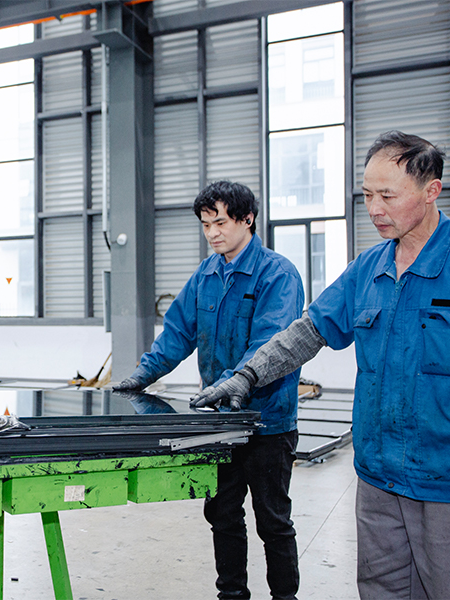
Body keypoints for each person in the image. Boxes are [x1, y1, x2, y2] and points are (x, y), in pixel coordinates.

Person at [194, 131, 450, 599]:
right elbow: (308, 332)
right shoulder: (368, 269)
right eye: (367, 195)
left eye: (388, 195)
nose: (375, 208)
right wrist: (247, 375)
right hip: (378, 479)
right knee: (381, 590)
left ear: (431, 191)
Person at [113, 180, 304, 600]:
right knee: (222, 514)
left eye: (220, 223)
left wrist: (234, 381)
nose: (212, 233)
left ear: (247, 219)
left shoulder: (278, 275)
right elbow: (178, 333)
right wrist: (142, 375)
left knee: (273, 521)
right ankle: (231, 595)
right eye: (205, 225)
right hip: (219, 424)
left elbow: (271, 344)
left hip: (267, 422)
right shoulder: (206, 274)